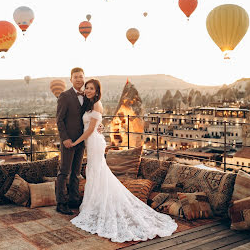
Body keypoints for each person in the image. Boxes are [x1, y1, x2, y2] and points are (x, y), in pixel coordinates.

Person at [70, 79, 178, 243]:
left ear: (97, 91)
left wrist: (75, 143)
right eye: (87, 88)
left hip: (94, 142)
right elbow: (94, 125)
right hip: (91, 142)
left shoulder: (97, 104)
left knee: (97, 171)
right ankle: (96, 205)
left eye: (91, 88)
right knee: (94, 172)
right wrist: (98, 128)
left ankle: (100, 206)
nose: (88, 90)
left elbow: (91, 129)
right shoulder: (88, 105)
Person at [55, 67, 86, 215]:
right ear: (71, 79)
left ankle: (74, 199)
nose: (79, 79)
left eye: (81, 76)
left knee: (76, 172)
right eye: (76, 77)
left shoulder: (87, 95)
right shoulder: (65, 96)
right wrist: (65, 138)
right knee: (64, 172)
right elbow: (59, 120)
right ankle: (61, 203)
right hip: (68, 140)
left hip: (82, 140)